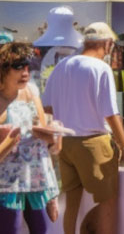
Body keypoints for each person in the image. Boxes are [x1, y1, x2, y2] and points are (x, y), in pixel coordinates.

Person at [41, 22, 124, 234]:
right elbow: (110, 113)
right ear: (106, 43)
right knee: (108, 200)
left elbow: (47, 107)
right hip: (93, 143)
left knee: (71, 202)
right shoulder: (101, 68)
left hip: (65, 142)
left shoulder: (63, 65)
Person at [0, 42, 60, 234]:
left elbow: (44, 138)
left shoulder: (31, 92)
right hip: (7, 184)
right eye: (17, 66)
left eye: (26, 65)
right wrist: (9, 144)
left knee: (42, 230)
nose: (25, 72)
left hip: (36, 180)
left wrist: (54, 136)